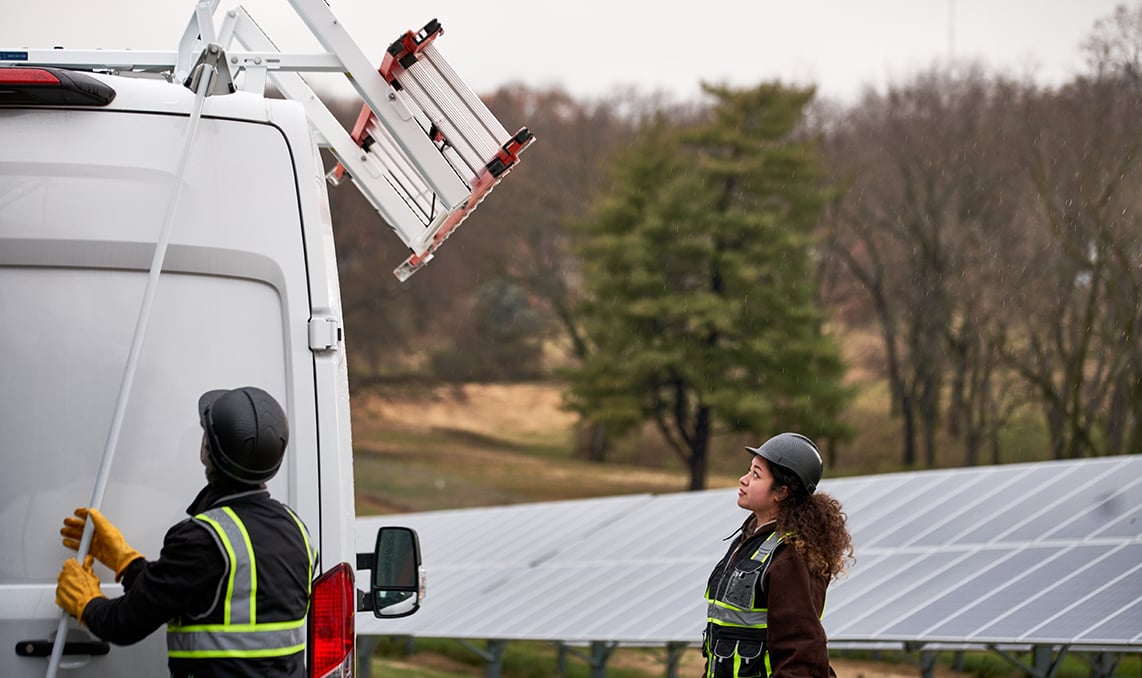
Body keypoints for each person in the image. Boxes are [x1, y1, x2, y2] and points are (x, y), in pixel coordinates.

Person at [55, 386, 318, 678]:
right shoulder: (297, 530)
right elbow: (189, 590)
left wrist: (86, 601)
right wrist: (125, 562)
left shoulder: (202, 539)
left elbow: (124, 623)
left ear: (206, 452)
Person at [702, 432, 854, 678]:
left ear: (781, 492)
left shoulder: (791, 557)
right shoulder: (747, 541)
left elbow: (801, 656)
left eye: (756, 475)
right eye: (749, 470)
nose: (743, 480)